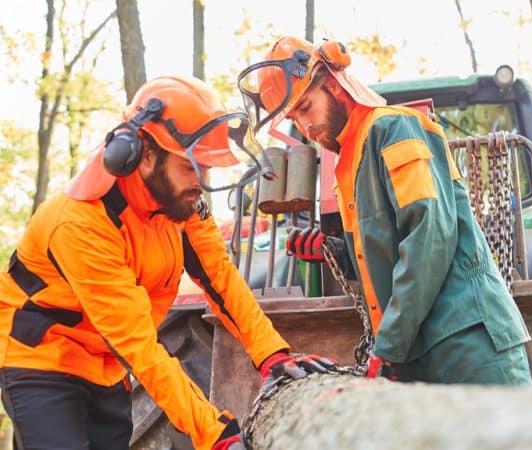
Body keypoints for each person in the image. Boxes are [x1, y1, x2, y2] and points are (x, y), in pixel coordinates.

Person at [0, 75, 335, 450]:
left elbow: (221, 279)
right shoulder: (81, 224)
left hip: (107, 366)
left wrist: (272, 354)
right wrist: (215, 434)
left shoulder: (180, 205)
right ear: (144, 155)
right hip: (43, 361)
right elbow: (139, 344)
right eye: (191, 168)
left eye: (206, 169)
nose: (201, 182)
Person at [239, 36, 532, 385]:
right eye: (294, 119)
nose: (305, 128)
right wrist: (337, 253)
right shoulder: (349, 162)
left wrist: (388, 348)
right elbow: (387, 251)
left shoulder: (393, 128)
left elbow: (429, 235)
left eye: (306, 108)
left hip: (468, 346)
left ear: (333, 86)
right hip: (424, 352)